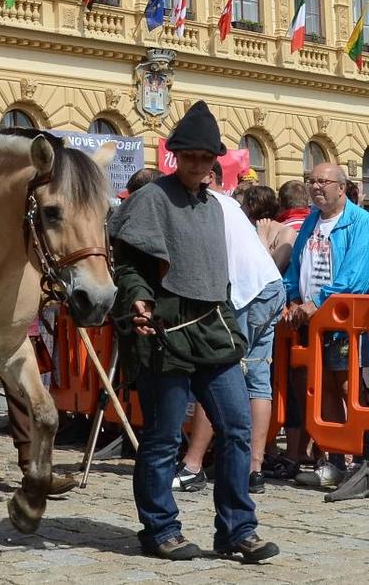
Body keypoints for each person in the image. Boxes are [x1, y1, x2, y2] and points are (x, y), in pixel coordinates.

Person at [109, 100, 277, 562]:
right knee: (163, 437)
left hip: (212, 326)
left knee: (237, 427)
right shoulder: (150, 199)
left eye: (207, 158)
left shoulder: (214, 206)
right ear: (175, 155)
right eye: (191, 156)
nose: (199, 165)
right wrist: (138, 297)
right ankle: (160, 529)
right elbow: (127, 264)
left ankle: (237, 530)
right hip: (166, 327)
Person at [173, 163, 285, 495]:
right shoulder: (230, 204)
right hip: (269, 286)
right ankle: (254, 469)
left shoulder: (208, 204)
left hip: (248, 292)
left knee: (218, 372)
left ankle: (193, 465)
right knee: (257, 379)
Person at [282, 163, 369, 487]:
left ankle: (360, 459)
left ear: (341, 187)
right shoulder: (311, 221)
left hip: (344, 320)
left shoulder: (360, 223)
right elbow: (296, 265)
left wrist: (318, 301)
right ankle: (333, 458)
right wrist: (292, 297)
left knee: (350, 386)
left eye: (323, 181)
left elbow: (356, 274)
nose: (316, 186)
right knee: (325, 388)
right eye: (311, 181)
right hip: (312, 320)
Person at [241, 185, 295, 273]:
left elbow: (274, 271)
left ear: (253, 206)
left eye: (244, 204)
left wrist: (262, 237)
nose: (240, 208)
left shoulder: (286, 232)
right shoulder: (246, 229)